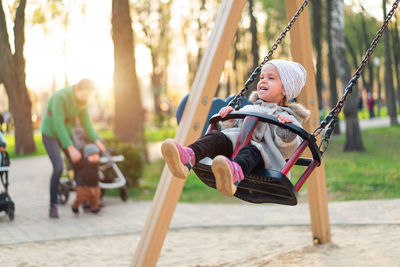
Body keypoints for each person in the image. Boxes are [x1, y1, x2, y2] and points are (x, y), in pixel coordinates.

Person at [161, 60, 310, 197]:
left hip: (262, 159)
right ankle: (187, 157)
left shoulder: (289, 118)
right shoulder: (250, 107)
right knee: (216, 137)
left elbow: (289, 150)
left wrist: (287, 131)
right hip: (234, 147)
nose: (263, 80)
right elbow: (235, 128)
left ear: (285, 90)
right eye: (262, 77)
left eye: (271, 78)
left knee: (251, 151)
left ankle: (232, 176)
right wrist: (230, 119)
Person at [41, 79, 106, 218]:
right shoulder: (60, 97)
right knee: (58, 167)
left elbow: (86, 123)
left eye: (89, 95)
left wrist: (96, 140)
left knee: (79, 163)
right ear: (77, 88)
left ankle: (84, 199)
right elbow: (58, 124)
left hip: (66, 132)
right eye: (85, 94)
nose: (86, 98)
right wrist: (70, 147)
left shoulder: (83, 102)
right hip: (50, 134)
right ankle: (53, 205)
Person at [71, 144, 101, 214]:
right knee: (81, 198)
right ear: (87, 157)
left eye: (97, 155)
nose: (96, 157)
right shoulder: (83, 163)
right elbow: (76, 165)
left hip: (94, 184)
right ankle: (75, 206)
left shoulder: (96, 164)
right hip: (83, 185)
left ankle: (94, 207)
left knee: (96, 197)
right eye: (93, 156)